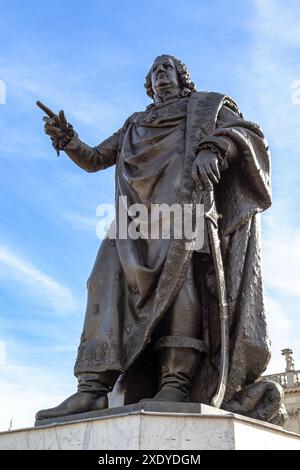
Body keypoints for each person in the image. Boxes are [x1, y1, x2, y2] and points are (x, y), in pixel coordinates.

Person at [36, 55, 279, 422]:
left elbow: (248, 135)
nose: (160, 75)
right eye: (154, 72)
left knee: (182, 286)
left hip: (187, 210)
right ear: (149, 84)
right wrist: (69, 140)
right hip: (135, 219)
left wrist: (214, 148)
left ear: (183, 78)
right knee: (104, 282)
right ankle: (92, 388)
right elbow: (97, 158)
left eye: (167, 68)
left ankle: (176, 382)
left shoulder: (208, 106)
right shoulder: (136, 123)